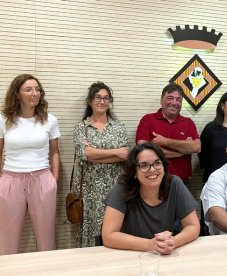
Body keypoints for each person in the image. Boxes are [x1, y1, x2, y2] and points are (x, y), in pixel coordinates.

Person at [102, 142, 199, 255]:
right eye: (144, 165)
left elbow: (193, 226)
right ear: (134, 172)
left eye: (157, 163)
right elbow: (108, 235)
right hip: (130, 254)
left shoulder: (175, 183)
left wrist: (172, 242)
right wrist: (150, 245)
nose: (152, 169)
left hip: (164, 255)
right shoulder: (123, 187)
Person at [0, 74, 60, 255]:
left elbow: (54, 152)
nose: (35, 93)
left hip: (42, 178)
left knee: (46, 239)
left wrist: (53, 180)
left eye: (38, 89)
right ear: (17, 94)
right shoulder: (4, 120)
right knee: (7, 239)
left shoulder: (50, 120)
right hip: (11, 179)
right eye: (29, 89)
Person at [73, 81, 129, 247]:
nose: (102, 101)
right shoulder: (81, 127)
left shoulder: (119, 127)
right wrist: (115, 152)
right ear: (90, 101)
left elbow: (125, 155)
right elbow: (85, 153)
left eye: (106, 98)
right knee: (91, 232)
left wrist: (96, 155)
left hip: (115, 187)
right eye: (98, 97)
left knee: (114, 228)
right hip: (89, 189)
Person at [198, 91, 227, 235]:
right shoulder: (210, 129)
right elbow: (202, 155)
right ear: (222, 106)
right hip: (213, 184)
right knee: (211, 226)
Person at [136, 83, 200, 186]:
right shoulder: (147, 119)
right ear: (161, 101)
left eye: (178, 100)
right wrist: (181, 151)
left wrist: (164, 141)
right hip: (153, 181)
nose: (174, 103)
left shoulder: (188, 122)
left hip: (182, 183)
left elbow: (196, 147)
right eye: (170, 98)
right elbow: (143, 149)